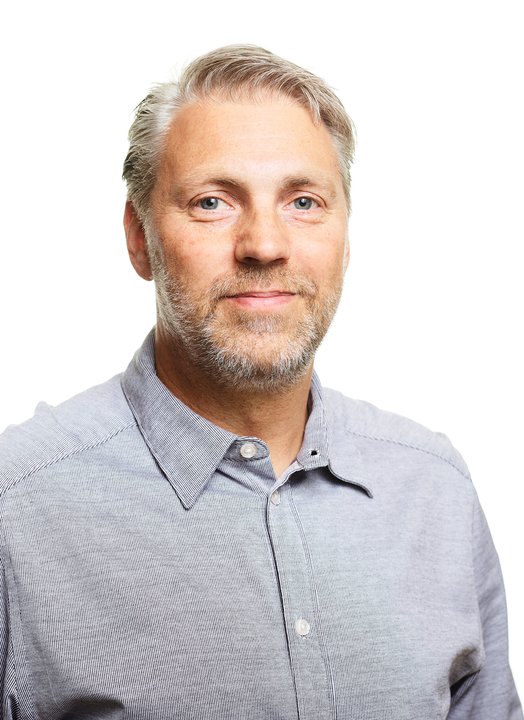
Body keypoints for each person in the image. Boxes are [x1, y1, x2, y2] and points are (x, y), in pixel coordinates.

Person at [0, 44, 521, 720]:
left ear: (345, 237)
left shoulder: (435, 490)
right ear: (139, 237)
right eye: (212, 202)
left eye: (304, 201)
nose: (265, 246)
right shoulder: (16, 510)